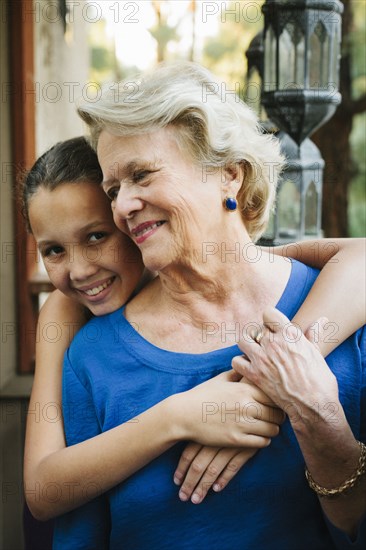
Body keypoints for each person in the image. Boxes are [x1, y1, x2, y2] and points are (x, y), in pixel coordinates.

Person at [23, 68, 365, 547]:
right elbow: (62, 514)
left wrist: (286, 392)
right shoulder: (89, 351)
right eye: (113, 191)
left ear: (228, 172)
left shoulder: (343, 309)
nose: (123, 206)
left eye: (141, 175)